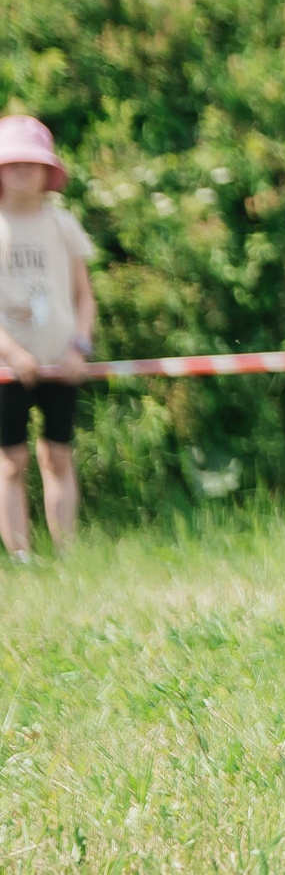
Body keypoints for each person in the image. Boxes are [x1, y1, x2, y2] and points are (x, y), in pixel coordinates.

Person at [0, 118, 96, 561]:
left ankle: (67, 554)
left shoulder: (61, 223)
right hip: (7, 368)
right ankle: (20, 556)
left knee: (58, 454)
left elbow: (84, 295)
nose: (22, 171)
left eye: (31, 163)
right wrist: (12, 352)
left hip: (61, 361)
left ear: (47, 171)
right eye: (12, 162)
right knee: (11, 461)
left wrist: (80, 345)